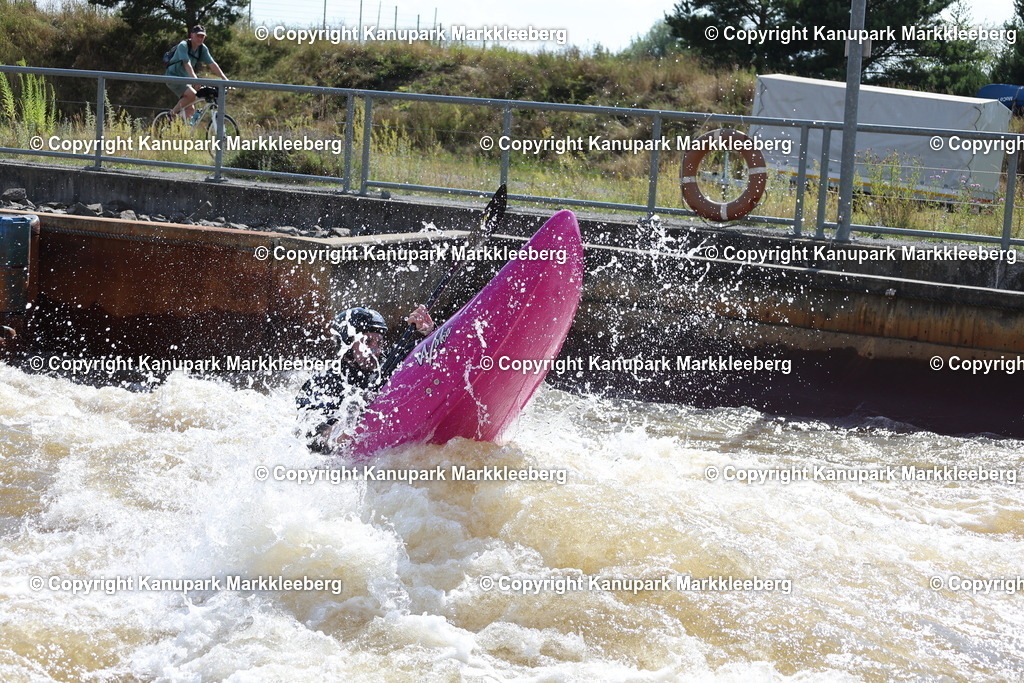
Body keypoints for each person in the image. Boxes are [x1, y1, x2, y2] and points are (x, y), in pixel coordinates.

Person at [296, 305, 434, 453]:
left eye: (379, 343)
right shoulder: (323, 383)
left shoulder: (389, 361)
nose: (375, 350)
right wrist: (351, 415)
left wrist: (429, 331)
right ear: (347, 346)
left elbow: (430, 352)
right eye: (367, 342)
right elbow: (313, 439)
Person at [164, 25, 229, 120]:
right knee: (193, 96)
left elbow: (212, 64)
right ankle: (171, 114)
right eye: (198, 35)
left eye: (202, 36)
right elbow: (187, 64)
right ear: (192, 35)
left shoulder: (202, 49)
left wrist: (225, 79)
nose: (200, 38)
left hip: (186, 79)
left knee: (190, 109)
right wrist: (195, 80)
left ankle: (182, 130)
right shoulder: (183, 45)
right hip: (173, 77)